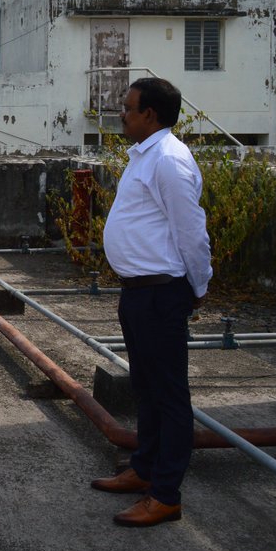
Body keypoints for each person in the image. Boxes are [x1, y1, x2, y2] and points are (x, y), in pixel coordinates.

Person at [92, 78, 212, 528]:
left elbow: (191, 232)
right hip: (139, 292)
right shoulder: (144, 155)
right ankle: (143, 469)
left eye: (128, 108)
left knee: (169, 396)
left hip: (162, 293)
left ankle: (166, 494)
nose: (122, 114)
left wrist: (198, 286)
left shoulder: (169, 160)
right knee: (145, 388)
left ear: (151, 115)